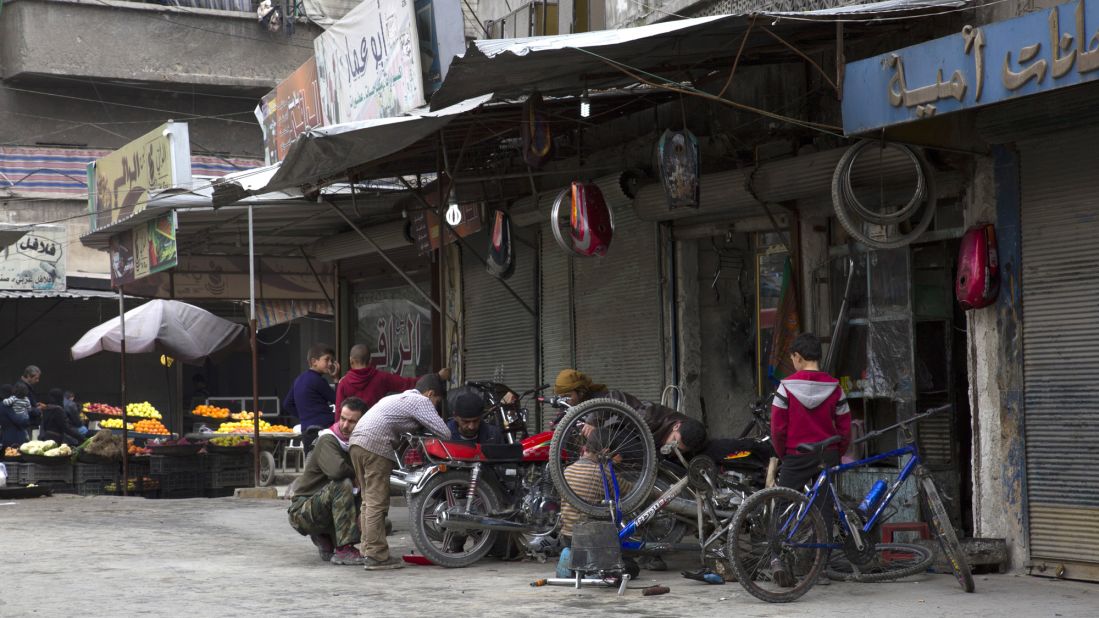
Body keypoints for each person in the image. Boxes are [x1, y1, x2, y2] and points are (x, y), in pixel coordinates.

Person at [769, 332, 851, 586]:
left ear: (798, 357)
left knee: (783, 504)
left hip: (796, 454)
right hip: (827, 455)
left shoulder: (786, 387)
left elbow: (777, 429)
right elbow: (845, 428)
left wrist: (785, 455)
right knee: (823, 508)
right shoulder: (835, 387)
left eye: (792, 357)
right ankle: (821, 568)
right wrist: (836, 453)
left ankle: (777, 559)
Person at [348, 374, 451, 570]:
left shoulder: (397, 398)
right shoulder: (421, 401)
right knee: (377, 502)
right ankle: (377, 556)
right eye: (437, 401)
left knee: (367, 500)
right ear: (430, 393)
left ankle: (367, 549)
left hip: (356, 443)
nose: (435, 406)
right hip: (374, 446)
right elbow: (445, 432)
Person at [287, 397, 368, 566]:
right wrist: (355, 474)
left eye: (352, 421)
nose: (345, 425)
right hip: (303, 511)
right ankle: (343, 549)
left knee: (378, 521)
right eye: (343, 419)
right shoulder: (328, 440)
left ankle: (325, 536)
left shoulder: (358, 443)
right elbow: (337, 471)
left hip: (327, 507)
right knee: (343, 483)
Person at [553, 369, 707, 456]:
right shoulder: (649, 416)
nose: (673, 447)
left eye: (679, 448)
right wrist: (593, 420)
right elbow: (615, 398)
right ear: (676, 426)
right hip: (631, 443)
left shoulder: (690, 439)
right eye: (674, 441)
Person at [335, 343, 451, 411]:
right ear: (370, 360)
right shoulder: (381, 377)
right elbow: (409, 383)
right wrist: (438, 376)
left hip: (351, 432)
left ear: (351, 361)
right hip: (376, 429)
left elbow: (339, 414)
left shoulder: (344, 383)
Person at [284, 343, 339, 454]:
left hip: (306, 430)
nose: (330, 363)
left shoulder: (298, 379)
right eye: (327, 359)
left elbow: (287, 404)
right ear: (314, 362)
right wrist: (336, 379)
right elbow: (338, 400)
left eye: (331, 360)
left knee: (312, 465)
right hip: (324, 428)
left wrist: (305, 416)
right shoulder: (318, 380)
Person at [0, 384, 33, 449]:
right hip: (16, 438)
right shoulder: (7, 406)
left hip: (5, 436)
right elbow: (19, 421)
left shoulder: (2, 404)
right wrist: (28, 419)